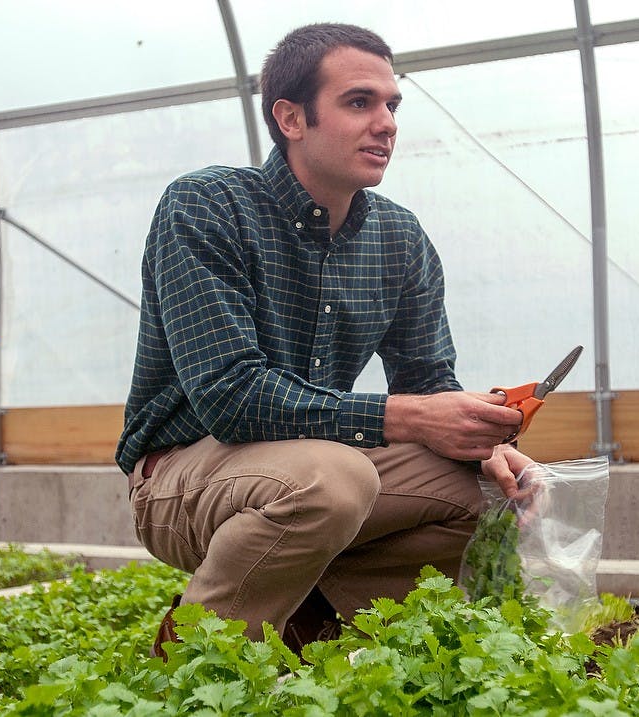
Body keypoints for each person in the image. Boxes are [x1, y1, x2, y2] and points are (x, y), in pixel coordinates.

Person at [116, 22, 535, 658]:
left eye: (392, 105)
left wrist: (477, 441)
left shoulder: (398, 238)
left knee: (488, 492)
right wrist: (408, 416)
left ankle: (319, 629)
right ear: (291, 117)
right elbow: (230, 398)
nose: (387, 123)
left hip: (311, 467)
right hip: (179, 474)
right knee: (331, 480)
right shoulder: (206, 206)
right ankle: (191, 663)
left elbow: (426, 379)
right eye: (359, 102)